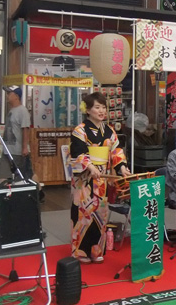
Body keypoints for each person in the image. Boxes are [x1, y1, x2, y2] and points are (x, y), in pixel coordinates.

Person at [70, 92, 131, 264]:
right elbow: (78, 152)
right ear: (87, 110)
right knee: (83, 214)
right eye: (97, 107)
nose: (101, 110)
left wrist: (122, 167)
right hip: (85, 178)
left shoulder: (109, 131)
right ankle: (80, 251)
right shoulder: (80, 130)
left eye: (103, 107)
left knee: (101, 214)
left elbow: (117, 151)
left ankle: (96, 250)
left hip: (102, 177)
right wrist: (89, 166)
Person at [0, 86, 33, 181]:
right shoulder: (11, 110)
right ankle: (4, 194)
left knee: (25, 176)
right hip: (7, 150)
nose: (7, 96)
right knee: (3, 176)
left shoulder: (23, 111)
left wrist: (25, 147)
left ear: (16, 96)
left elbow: (25, 129)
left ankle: (38, 191)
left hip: (18, 151)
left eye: (10, 93)